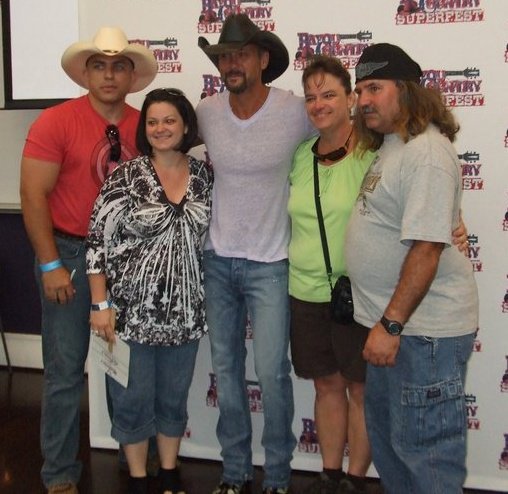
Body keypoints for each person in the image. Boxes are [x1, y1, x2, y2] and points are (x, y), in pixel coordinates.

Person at [20, 27, 157, 494]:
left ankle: (133, 456)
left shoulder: (146, 125)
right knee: (63, 371)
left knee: (127, 368)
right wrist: (50, 264)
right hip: (70, 256)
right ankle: (59, 473)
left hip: (127, 260)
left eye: (119, 66)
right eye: (99, 65)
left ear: (132, 75)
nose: (109, 75)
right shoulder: (55, 122)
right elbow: (32, 196)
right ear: (85, 73)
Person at [345, 43, 479, 494]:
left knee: (426, 458)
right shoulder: (394, 146)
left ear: (406, 91)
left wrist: (391, 324)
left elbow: (425, 249)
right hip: (396, 330)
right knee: (393, 451)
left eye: (375, 88)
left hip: (421, 335)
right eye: (360, 90)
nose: (363, 100)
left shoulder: (427, 153)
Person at [196, 13, 315, 494]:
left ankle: (279, 476)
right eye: (225, 56)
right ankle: (234, 471)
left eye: (241, 54)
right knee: (226, 371)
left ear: (263, 59)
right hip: (217, 260)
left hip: (271, 264)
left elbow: (344, 139)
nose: (232, 64)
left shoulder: (295, 111)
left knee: (271, 372)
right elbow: (162, 143)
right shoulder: (206, 112)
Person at [86, 88, 213, 494]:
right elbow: (97, 241)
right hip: (129, 315)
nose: (160, 128)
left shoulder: (204, 176)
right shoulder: (126, 176)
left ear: (186, 125)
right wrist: (100, 303)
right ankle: (139, 479)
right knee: (131, 400)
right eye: (153, 121)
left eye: (169, 120)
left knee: (174, 399)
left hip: (186, 313)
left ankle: (170, 472)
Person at [288, 56, 375, 494]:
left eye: (328, 95)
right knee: (326, 385)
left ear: (351, 98)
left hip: (358, 292)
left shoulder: (374, 153)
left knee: (359, 388)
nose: (318, 104)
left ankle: (355, 480)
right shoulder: (299, 155)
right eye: (310, 97)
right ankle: (330, 474)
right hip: (305, 291)